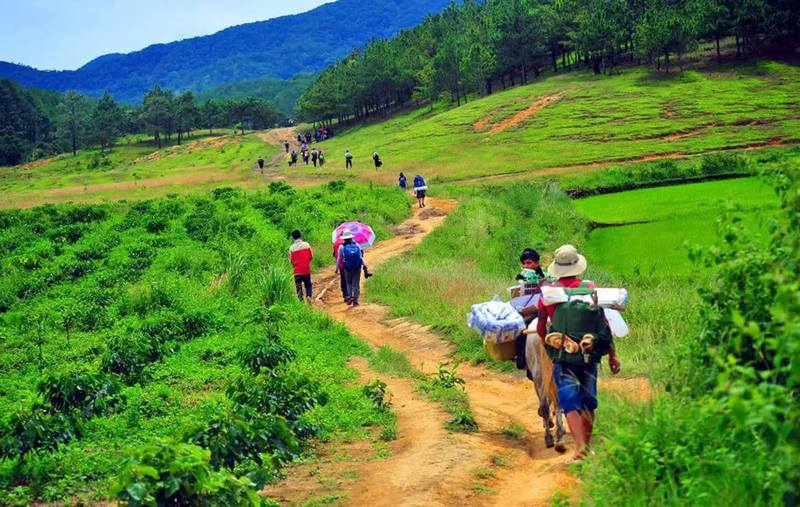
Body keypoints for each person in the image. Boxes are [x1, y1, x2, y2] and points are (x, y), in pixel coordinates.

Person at [536, 244, 621, 463]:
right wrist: (612, 354)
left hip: (563, 356)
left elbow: (541, 327)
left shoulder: (550, 293)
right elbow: (604, 323)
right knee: (588, 401)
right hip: (590, 356)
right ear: (577, 266)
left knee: (569, 401)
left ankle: (580, 447)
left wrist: (549, 346)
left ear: (557, 268)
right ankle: (587, 446)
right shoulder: (591, 288)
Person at [514, 248, 547, 369]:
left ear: (537, 263)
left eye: (529, 263)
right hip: (528, 309)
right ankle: (520, 358)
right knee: (521, 327)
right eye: (524, 263)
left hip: (542, 307)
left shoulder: (545, 277)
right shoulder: (521, 277)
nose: (526, 266)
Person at [335, 231, 368, 306]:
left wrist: (336, 269)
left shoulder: (341, 247)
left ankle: (349, 296)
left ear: (344, 238)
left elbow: (339, 259)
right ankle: (355, 301)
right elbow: (360, 257)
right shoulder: (357, 245)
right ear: (351, 238)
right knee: (355, 284)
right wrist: (365, 265)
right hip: (357, 267)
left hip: (347, 268)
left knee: (348, 283)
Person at [289, 229, 313, 303]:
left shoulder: (291, 248)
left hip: (297, 271)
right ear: (300, 235)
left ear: (293, 237)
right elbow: (311, 256)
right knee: (308, 285)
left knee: (298, 287)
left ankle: (301, 301)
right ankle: (308, 295)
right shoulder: (306, 245)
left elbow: (291, 261)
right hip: (306, 269)